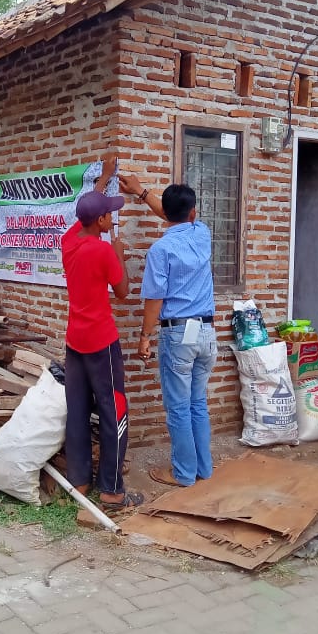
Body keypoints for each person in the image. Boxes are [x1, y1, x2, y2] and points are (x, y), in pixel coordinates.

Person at [121, 175, 217, 488]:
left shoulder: (160, 250)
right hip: (206, 333)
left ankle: (184, 474)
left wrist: (145, 336)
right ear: (193, 213)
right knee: (197, 403)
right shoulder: (202, 233)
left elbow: (154, 299)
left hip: (179, 335)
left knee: (178, 408)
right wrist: (141, 192)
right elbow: (172, 215)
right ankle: (204, 469)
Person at [61, 159, 143, 510]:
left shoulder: (70, 241)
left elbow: (87, 209)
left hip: (74, 341)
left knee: (77, 410)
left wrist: (104, 181)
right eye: (109, 214)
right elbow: (122, 291)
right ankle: (111, 490)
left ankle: (79, 481)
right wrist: (120, 254)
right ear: (101, 222)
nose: (112, 216)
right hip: (101, 343)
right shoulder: (103, 251)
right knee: (114, 411)